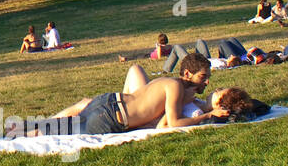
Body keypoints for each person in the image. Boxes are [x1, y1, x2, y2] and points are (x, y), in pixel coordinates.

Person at [34, 54, 223, 135]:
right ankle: (24, 130)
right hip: (111, 117)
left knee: (56, 127)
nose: (207, 82)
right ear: (188, 74)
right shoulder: (176, 89)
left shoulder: (166, 83)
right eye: (203, 76)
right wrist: (209, 115)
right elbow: (173, 123)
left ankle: (25, 128)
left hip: (108, 101)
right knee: (58, 131)